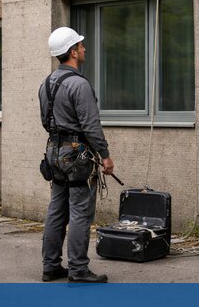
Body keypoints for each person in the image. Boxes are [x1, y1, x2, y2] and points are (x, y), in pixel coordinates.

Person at [39, 27, 115, 283]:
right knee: (80, 212)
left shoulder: (46, 84)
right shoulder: (79, 84)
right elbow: (91, 126)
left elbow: (45, 120)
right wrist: (104, 156)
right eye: (81, 46)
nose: (84, 49)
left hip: (53, 152)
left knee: (57, 209)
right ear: (72, 52)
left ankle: (50, 267)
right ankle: (78, 269)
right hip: (77, 155)